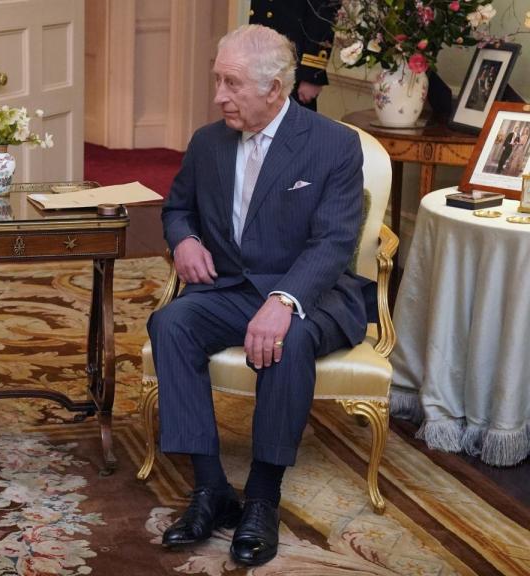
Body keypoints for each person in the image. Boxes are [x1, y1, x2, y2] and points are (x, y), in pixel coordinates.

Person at [148, 24, 368, 566]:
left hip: (312, 291)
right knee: (170, 322)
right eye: (217, 80)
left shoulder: (333, 145)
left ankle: (263, 500)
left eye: (232, 83)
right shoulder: (208, 142)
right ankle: (211, 489)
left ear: (275, 89)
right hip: (231, 287)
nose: (218, 95)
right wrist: (186, 241)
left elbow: (334, 241)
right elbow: (177, 209)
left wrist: (285, 300)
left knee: (287, 340)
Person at [249, 0, 336, 111]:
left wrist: (312, 74)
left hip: (291, 67)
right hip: (251, 58)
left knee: (290, 122)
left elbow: (322, 17)